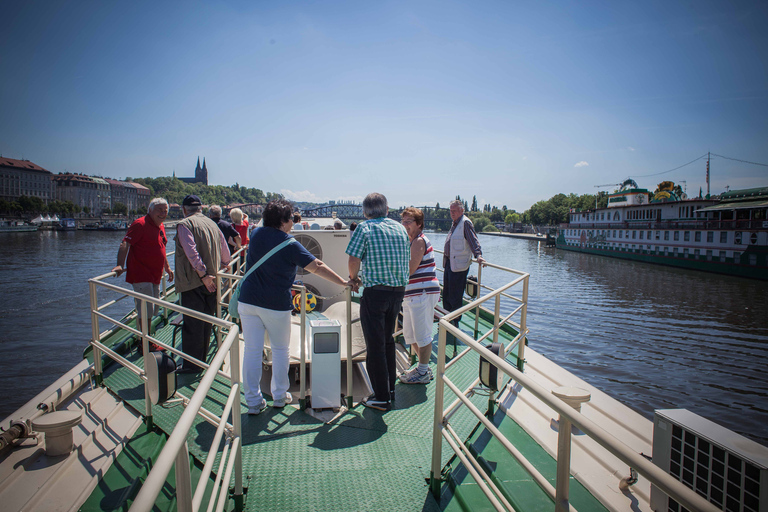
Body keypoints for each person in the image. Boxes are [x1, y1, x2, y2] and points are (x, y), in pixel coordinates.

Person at [238, 199, 352, 414]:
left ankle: (253, 401)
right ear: (283, 220)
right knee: (281, 350)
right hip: (275, 304)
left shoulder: (255, 235)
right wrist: (343, 282)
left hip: (248, 301)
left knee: (252, 351)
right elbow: (317, 266)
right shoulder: (289, 244)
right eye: (291, 218)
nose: (293, 222)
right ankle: (280, 396)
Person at [346, 192, 410, 411]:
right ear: (387, 209)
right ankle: (390, 389)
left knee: (375, 346)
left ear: (364, 212)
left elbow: (353, 259)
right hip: (397, 292)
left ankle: (381, 397)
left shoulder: (364, 228)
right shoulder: (400, 228)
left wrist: (353, 280)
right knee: (388, 342)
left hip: (375, 293)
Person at [175, 195, 232, 373]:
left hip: (194, 282)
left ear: (184, 209)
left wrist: (203, 275)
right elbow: (225, 253)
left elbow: (191, 252)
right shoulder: (213, 224)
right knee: (207, 321)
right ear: (200, 208)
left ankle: (192, 366)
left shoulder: (185, 224)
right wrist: (222, 266)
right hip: (214, 280)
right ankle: (203, 359)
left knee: (192, 324)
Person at [112, 197, 173, 348]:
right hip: (141, 275)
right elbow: (125, 243)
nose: (163, 213)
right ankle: (145, 342)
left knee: (152, 309)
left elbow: (161, 249)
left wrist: (167, 267)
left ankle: (146, 337)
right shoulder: (140, 224)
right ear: (150, 210)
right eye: (159, 210)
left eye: (165, 210)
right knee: (145, 310)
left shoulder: (160, 226)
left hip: (155, 275)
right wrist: (120, 265)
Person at [399, 207, 440, 385]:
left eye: (409, 222)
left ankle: (422, 372)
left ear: (419, 224)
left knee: (422, 334)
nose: (405, 225)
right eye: (403, 221)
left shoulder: (418, 241)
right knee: (411, 334)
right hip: (413, 294)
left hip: (422, 293)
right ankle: (423, 368)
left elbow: (410, 269)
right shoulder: (411, 241)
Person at [443, 200, 485, 337]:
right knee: (447, 293)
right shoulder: (455, 223)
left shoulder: (465, 223)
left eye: (454, 211)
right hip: (450, 263)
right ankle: (446, 319)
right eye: (450, 211)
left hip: (459, 266)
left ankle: (454, 322)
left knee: (455, 295)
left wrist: (478, 255)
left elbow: (473, 240)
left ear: (462, 211)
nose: (452, 213)